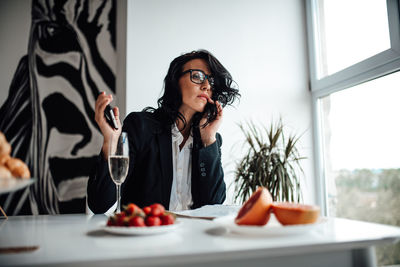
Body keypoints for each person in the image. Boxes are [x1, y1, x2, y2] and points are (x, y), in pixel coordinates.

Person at [87, 50, 240, 213]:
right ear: (176, 81)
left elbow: (213, 205)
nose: (206, 85)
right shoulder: (141, 127)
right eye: (198, 76)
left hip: (194, 236)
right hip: (147, 234)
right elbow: (99, 204)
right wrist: (110, 145)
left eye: (211, 81)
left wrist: (208, 140)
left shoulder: (210, 139)